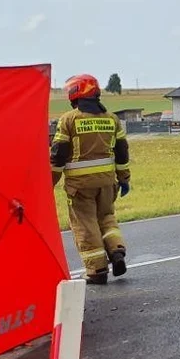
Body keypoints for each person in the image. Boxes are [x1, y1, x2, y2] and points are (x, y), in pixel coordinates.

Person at [50, 74, 131, 285]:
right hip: (107, 183)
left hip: (80, 186)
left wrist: (49, 182)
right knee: (106, 218)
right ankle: (116, 250)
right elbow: (122, 152)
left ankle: (97, 270)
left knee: (85, 225)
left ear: (75, 92)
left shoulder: (69, 120)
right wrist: (124, 178)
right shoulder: (112, 119)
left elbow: (58, 155)